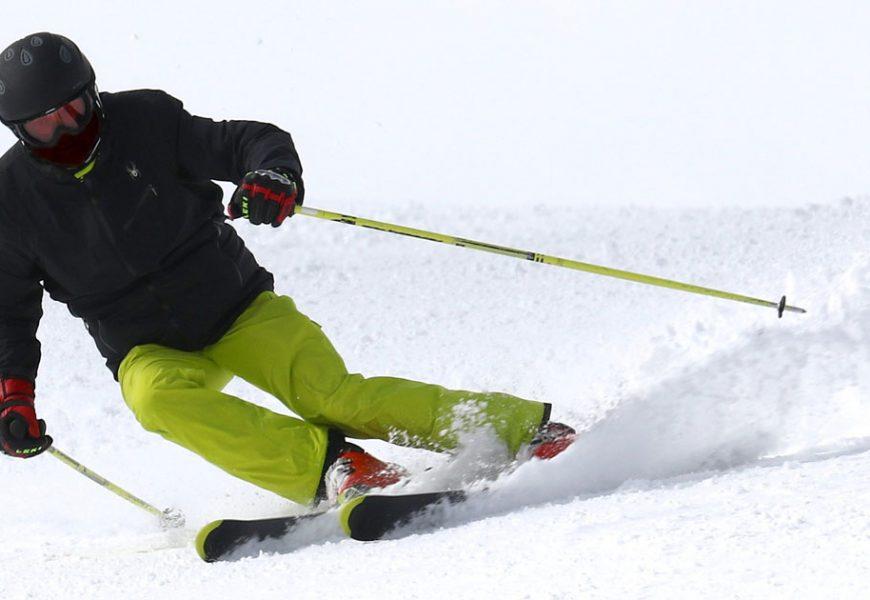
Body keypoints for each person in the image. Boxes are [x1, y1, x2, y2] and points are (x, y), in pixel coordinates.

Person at [0, 32, 575, 506]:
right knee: (154, 400)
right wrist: (13, 396)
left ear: (93, 92)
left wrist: (272, 175)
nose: (68, 130)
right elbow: (9, 308)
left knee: (334, 397)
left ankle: (518, 428)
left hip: (237, 308)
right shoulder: (12, 198)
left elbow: (250, 141)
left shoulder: (146, 120)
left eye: (74, 108)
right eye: (45, 124)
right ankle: (334, 466)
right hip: (143, 346)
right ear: (19, 131)